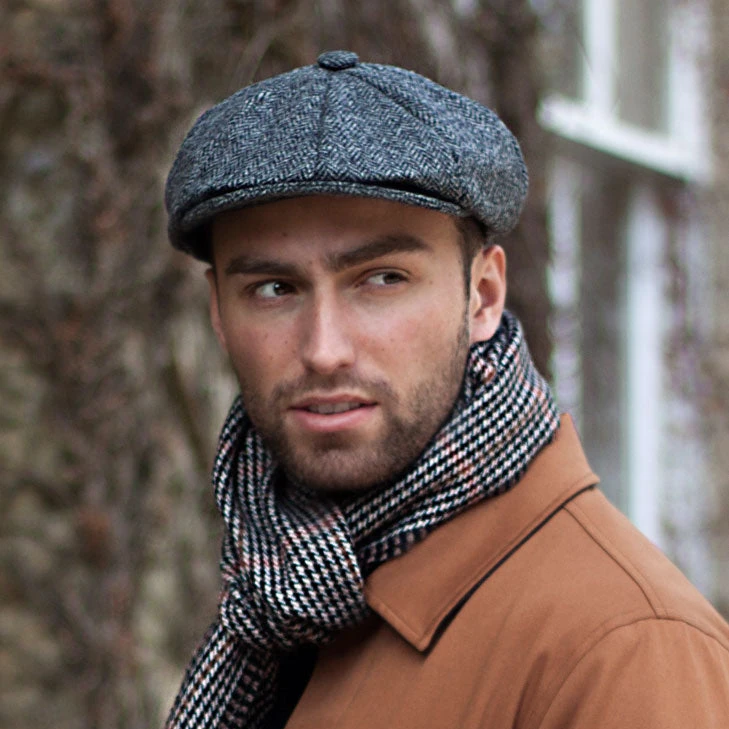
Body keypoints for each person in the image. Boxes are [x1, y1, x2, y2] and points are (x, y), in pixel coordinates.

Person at [163, 51, 729, 729]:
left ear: (482, 295)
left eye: (382, 279)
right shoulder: (275, 602)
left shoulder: (625, 647)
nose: (323, 349)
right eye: (274, 289)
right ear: (219, 312)